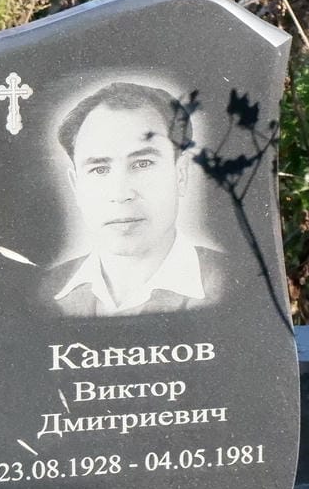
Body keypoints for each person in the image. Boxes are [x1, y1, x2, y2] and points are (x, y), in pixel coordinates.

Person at [43, 82, 226, 317]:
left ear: (180, 174)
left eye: (142, 164)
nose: (121, 194)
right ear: (76, 185)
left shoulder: (237, 280)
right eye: (99, 169)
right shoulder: (43, 291)